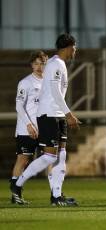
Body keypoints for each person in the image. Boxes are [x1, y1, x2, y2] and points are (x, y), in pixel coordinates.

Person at [11, 33, 81, 206]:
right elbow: (56, 91)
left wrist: (64, 114)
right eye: (74, 47)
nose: (75, 50)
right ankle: (18, 184)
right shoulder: (56, 64)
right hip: (49, 114)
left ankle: (56, 196)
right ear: (68, 47)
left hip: (56, 114)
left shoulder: (58, 63)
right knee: (50, 157)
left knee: (61, 155)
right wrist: (69, 114)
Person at [9, 51, 48, 204]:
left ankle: (56, 193)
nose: (39, 67)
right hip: (26, 129)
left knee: (50, 159)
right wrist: (29, 124)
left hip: (44, 129)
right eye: (36, 63)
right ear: (32, 65)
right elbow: (19, 106)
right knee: (23, 160)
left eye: (42, 63)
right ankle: (15, 192)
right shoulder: (25, 83)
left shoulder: (49, 83)